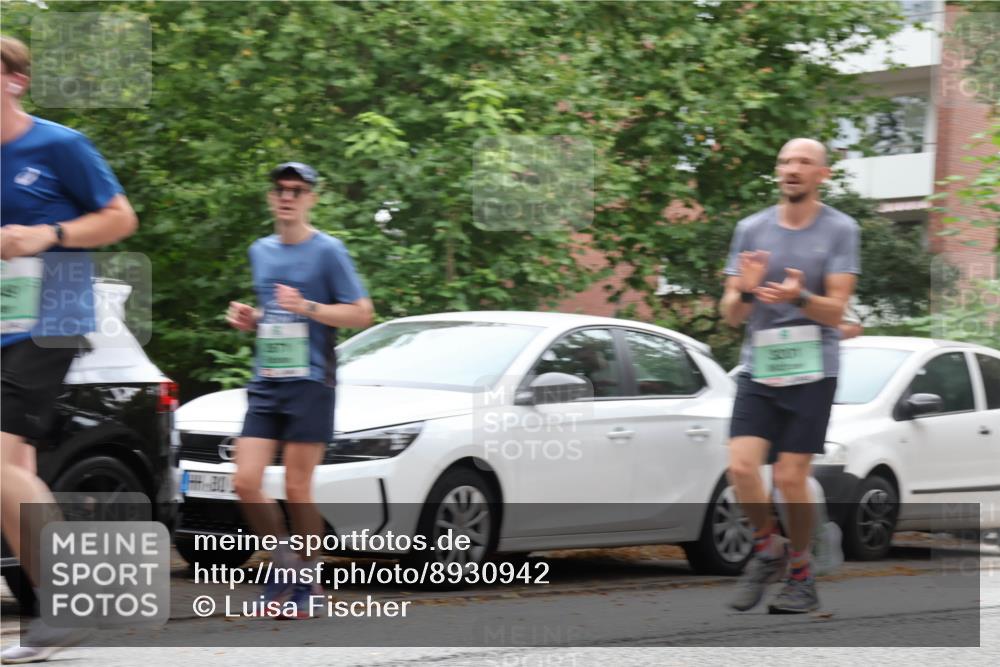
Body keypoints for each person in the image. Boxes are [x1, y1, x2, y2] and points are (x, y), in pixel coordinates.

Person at [1, 35, 138, 663]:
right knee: (14, 470)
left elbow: (119, 218)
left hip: (50, 316)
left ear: (14, 81)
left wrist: (46, 234)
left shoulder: (59, 145)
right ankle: (53, 609)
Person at [227, 162, 373, 619]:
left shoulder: (329, 251)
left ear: (311, 197)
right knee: (245, 481)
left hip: (312, 382)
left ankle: (303, 583)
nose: (287, 196)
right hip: (267, 381)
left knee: (297, 487)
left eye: (297, 190)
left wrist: (307, 306)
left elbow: (362, 314)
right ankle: (286, 567)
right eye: (280, 189)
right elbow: (274, 315)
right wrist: (252, 319)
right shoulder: (261, 251)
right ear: (272, 197)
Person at [720, 137, 860, 614]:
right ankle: (768, 547)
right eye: (784, 162)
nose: (792, 169)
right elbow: (731, 316)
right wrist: (746, 291)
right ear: (777, 172)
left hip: (813, 368)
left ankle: (801, 572)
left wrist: (799, 298)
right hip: (760, 365)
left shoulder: (841, 230)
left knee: (789, 478)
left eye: (803, 162)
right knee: (740, 467)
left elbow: (836, 310)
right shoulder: (750, 228)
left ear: (822, 174)